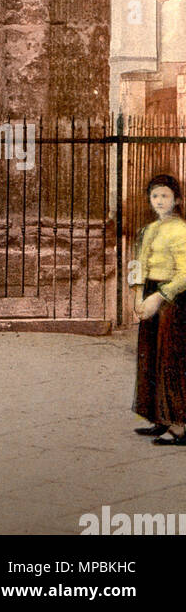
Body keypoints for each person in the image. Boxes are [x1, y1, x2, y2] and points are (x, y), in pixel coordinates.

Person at [131, 173, 186, 444]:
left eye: (165, 195)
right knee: (150, 357)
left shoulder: (181, 230)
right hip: (150, 294)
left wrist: (158, 298)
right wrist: (137, 297)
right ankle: (160, 418)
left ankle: (182, 426)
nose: (160, 201)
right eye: (155, 196)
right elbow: (139, 265)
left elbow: (185, 274)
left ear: (176, 199)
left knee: (171, 361)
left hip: (173, 301)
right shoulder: (148, 230)